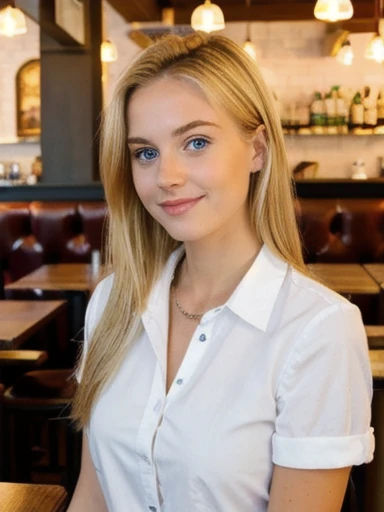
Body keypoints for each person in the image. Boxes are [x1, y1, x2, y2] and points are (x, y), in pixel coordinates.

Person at [68, 32, 374, 512]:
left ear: (257, 149)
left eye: (195, 142)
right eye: (145, 152)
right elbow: (92, 494)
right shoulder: (112, 302)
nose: (166, 176)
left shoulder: (320, 331)